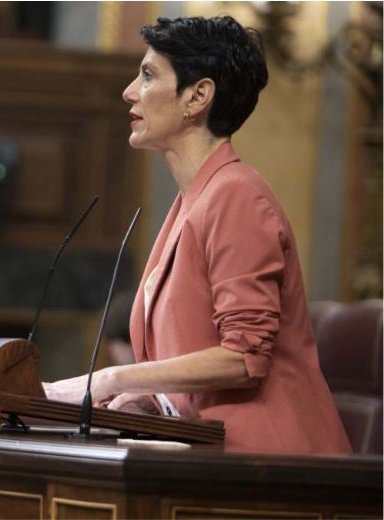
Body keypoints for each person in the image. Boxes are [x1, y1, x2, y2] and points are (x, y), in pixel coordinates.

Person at [43, 16, 351, 454]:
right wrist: (152, 400)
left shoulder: (237, 196)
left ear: (198, 96)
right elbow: (193, 354)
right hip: (216, 458)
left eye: (148, 75)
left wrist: (112, 378)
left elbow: (243, 358)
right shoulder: (195, 199)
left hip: (276, 468)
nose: (129, 91)